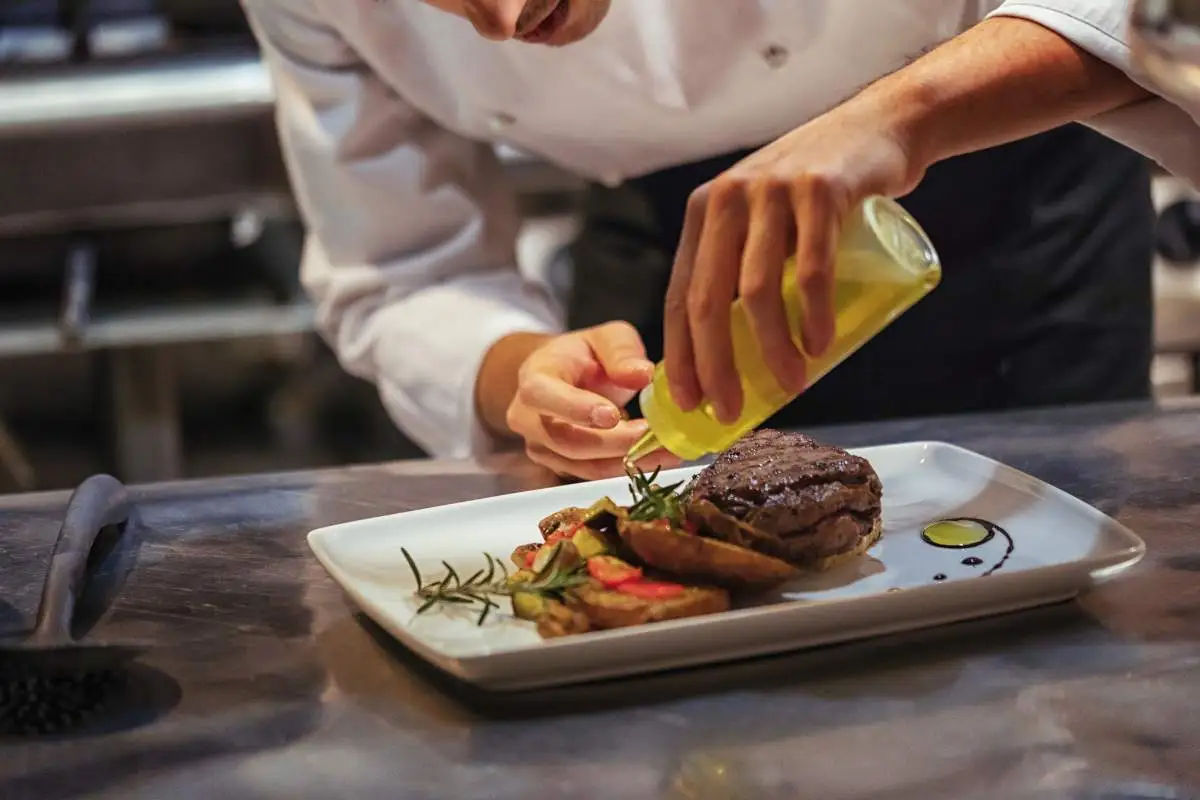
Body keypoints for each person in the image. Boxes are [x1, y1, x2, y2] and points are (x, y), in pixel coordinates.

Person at [242, 0, 1200, 479]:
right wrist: (520, 373)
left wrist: (899, 119)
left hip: (1000, 192)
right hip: (670, 251)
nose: (505, 18)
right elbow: (400, 268)